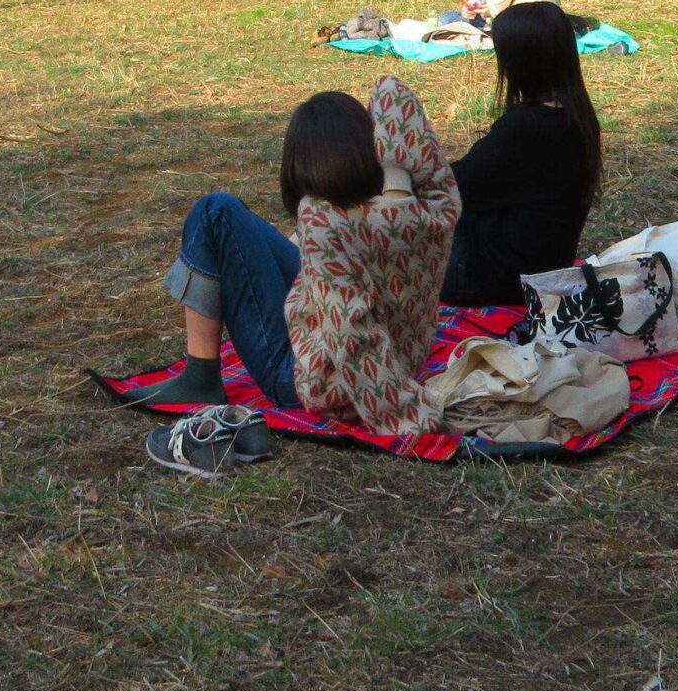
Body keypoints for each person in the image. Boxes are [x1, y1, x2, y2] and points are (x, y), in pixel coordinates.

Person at [139, 78, 461, 470]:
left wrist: (406, 415)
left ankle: (200, 375)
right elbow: (393, 91)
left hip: (308, 383)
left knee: (215, 212)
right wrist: (394, 178)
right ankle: (201, 371)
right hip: (401, 350)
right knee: (245, 230)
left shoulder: (322, 219)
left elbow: (349, 333)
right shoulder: (434, 210)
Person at [440, 3, 603, 306]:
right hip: (543, 264)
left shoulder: (526, 128)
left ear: (522, 63)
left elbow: (454, 186)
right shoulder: (576, 116)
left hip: (497, 279)